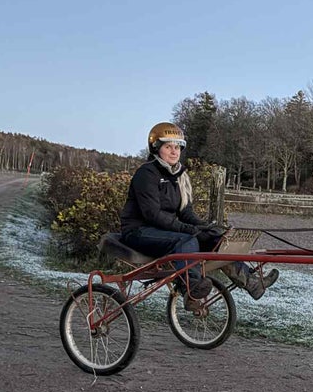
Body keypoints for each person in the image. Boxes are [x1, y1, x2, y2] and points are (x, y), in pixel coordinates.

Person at [119, 122, 278, 305]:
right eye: (168, 147)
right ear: (156, 148)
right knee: (186, 240)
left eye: (177, 147)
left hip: (161, 230)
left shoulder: (179, 176)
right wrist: (189, 230)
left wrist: (205, 227)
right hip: (139, 231)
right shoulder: (146, 174)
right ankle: (191, 289)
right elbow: (152, 215)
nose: (174, 151)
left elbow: (185, 212)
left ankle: (252, 282)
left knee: (216, 238)